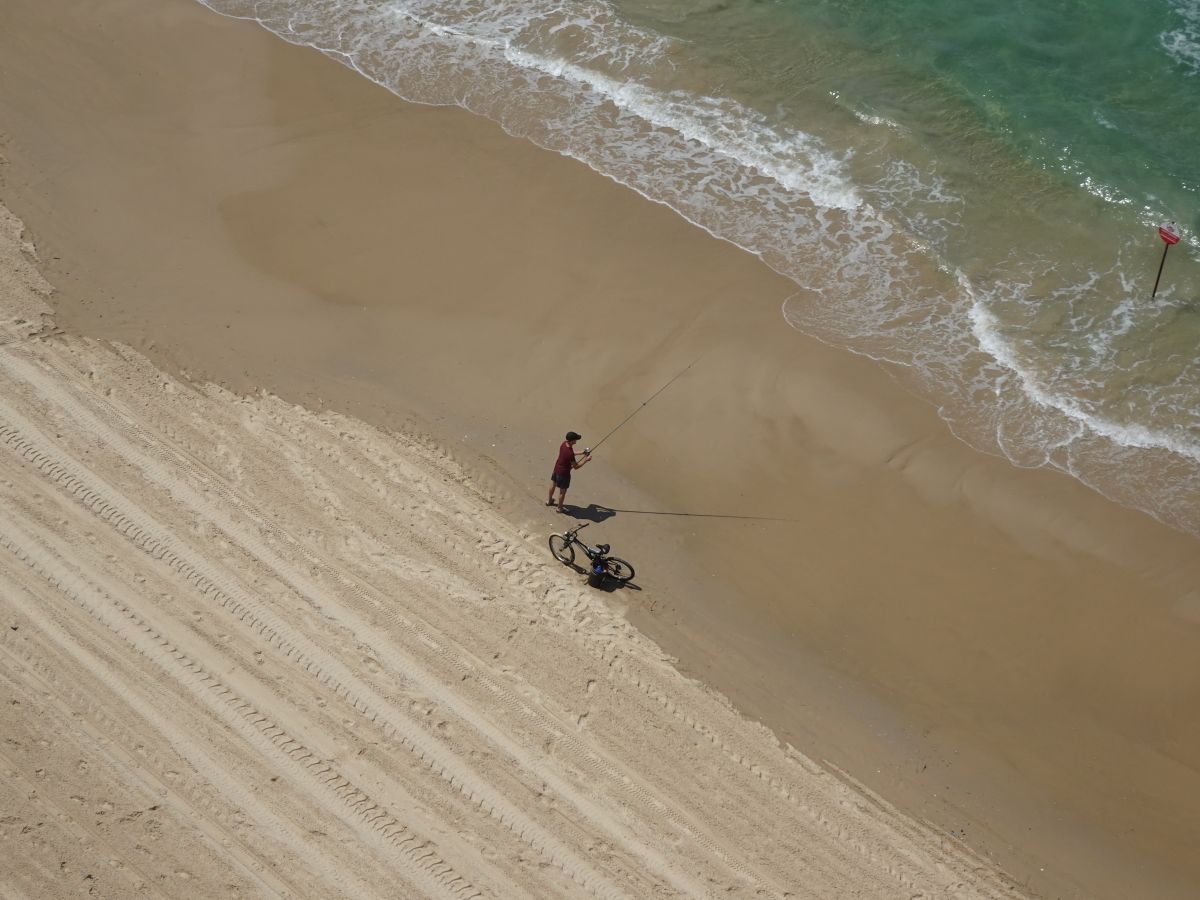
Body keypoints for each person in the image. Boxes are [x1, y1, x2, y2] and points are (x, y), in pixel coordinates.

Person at [547, 431, 591, 512]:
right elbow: (576, 466)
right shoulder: (570, 453)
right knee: (562, 492)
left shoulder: (564, 444)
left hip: (556, 469)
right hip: (564, 474)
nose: (576, 441)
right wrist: (586, 460)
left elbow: (571, 453)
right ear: (572, 441)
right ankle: (559, 508)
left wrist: (583, 452)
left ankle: (549, 501)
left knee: (553, 484)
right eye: (575, 439)